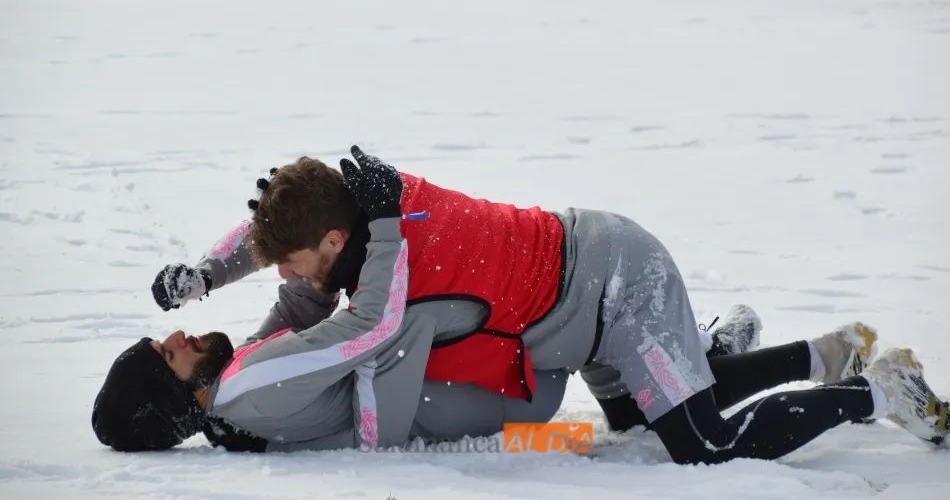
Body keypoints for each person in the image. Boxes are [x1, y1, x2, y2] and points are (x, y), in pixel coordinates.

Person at [91, 147, 949, 459]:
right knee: (641, 422)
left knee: (702, 446)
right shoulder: (357, 215)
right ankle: (820, 354)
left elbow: (371, 326)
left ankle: (877, 392)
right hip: (581, 315)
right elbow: (284, 242)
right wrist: (207, 272)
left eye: (291, 262)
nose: (285, 275)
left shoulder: (386, 253)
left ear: (334, 241)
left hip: (617, 285)